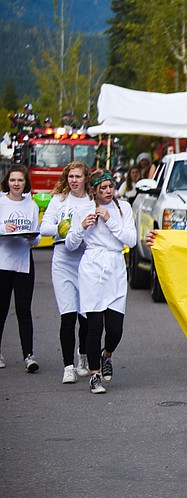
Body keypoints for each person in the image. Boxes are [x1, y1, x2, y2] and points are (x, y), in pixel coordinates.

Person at [65, 169, 137, 394]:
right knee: (94, 326)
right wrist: (81, 227)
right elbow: (70, 244)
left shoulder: (122, 208)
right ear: (93, 190)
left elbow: (132, 241)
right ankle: (94, 376)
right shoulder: (83, 210)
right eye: (102, 188)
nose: (108, 191)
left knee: (115, 329)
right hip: (92, 268)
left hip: (115, 268)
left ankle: (107, 355)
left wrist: (110, 220)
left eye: (110, 187)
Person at [39, 161, 93, 384]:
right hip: (62, 260)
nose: (74, 180)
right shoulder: (58, 200)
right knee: (68, 315)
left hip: (85, 260)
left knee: (86, 315)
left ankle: (82, 358)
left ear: (85, 178)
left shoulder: (92, 201)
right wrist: (67, 226)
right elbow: (45, 228)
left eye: (78, 176)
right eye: (70, 176)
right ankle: (67, 366)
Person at [0, 165, 41, 373]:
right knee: (2, 310)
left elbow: (38, 236)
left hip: (24, 262)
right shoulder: (0, 201)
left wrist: (33, 237)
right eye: (13, 180)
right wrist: (3, 228)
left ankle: (29, 356)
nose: (16, 184)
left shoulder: (31, 205)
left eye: (21, 181)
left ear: (26, 183)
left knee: (24, 311)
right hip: (3, 263)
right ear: (7, 181)